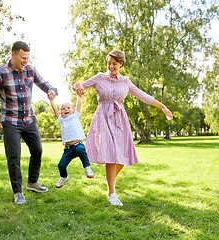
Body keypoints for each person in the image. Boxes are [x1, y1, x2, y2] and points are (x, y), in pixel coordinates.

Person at [73, 49, 173, 206]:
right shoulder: (99, 78)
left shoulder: (125, 81)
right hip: (103, 118)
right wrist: (77, 85)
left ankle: (109, 180)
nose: (111, 66)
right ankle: (112, 194)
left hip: (119, 119)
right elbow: (80, 86)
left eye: (114, 64)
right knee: (111, 154)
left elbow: (143, 95)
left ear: (121, 64)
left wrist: (162, 107)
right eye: (109, 63)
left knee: (123, 155)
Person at [0, 41, 58, 204]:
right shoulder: (1, 73)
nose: (25, 61)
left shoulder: (30, 70)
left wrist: (52, 90)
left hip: (29, 120)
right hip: (10, 121)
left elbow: (44, 83)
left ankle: (32, 182)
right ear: (12, 55)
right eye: (22, 58)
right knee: (14, 157)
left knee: (37, 150)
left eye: (27, 58)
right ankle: (18, 192)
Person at [48, 94, 94, 188]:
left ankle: (87, 167)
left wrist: (79, 96)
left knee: (81, 150)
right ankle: (64, 177)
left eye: (68, 108)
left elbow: (79, 105)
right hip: (68, 149)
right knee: (61, 165)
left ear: (73, 109)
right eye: (63, 109)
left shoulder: (75, 116)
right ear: (61, 112)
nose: (66, 110)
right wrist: (51, 100)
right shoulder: (61, 119)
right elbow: (55, 110)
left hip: (78, 145)